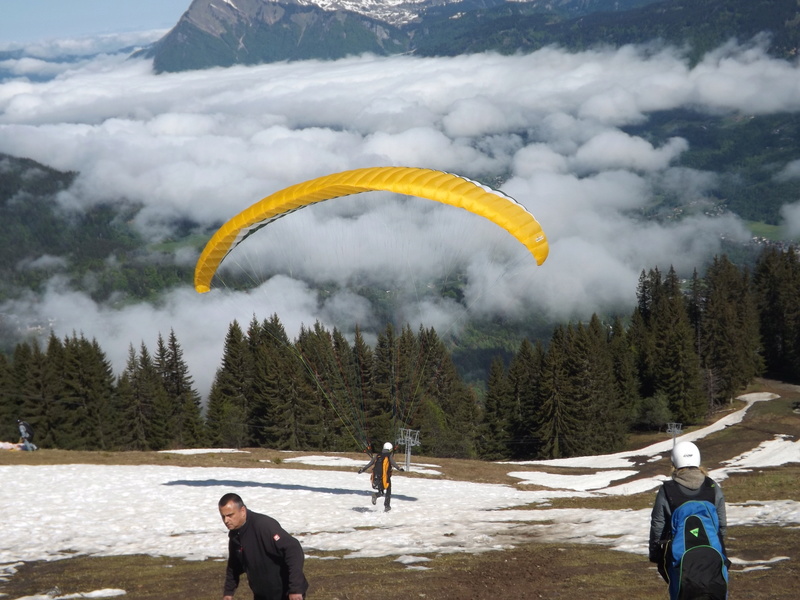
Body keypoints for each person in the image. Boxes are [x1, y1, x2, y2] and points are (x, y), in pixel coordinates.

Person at [649, 441, 729, 600]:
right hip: (712, 555)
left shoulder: (667, 490)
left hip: (679, 558)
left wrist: (655, 554)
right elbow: (721, 525)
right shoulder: (712, 487)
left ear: (674, 463)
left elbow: (658, 524)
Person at [218, 493, 309, 600]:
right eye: (223, 516)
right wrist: (228, 592)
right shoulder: (235, 535)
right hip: (262, 595)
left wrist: (295, 589)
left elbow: (293, 549)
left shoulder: (264, 526)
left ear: (242, 511)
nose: (226, 520)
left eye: (230, 515)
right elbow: (234, 565)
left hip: (286, 594)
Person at [358, 441, 404, 512]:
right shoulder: (389, 455)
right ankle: (387, 506)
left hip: (377, 476)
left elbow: (370, 463)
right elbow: (393, 462)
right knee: (388, 490)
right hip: (385, 476)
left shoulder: (377, 455)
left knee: (381, 492)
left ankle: (376, 495)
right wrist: (399, 468)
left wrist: (363, 469)